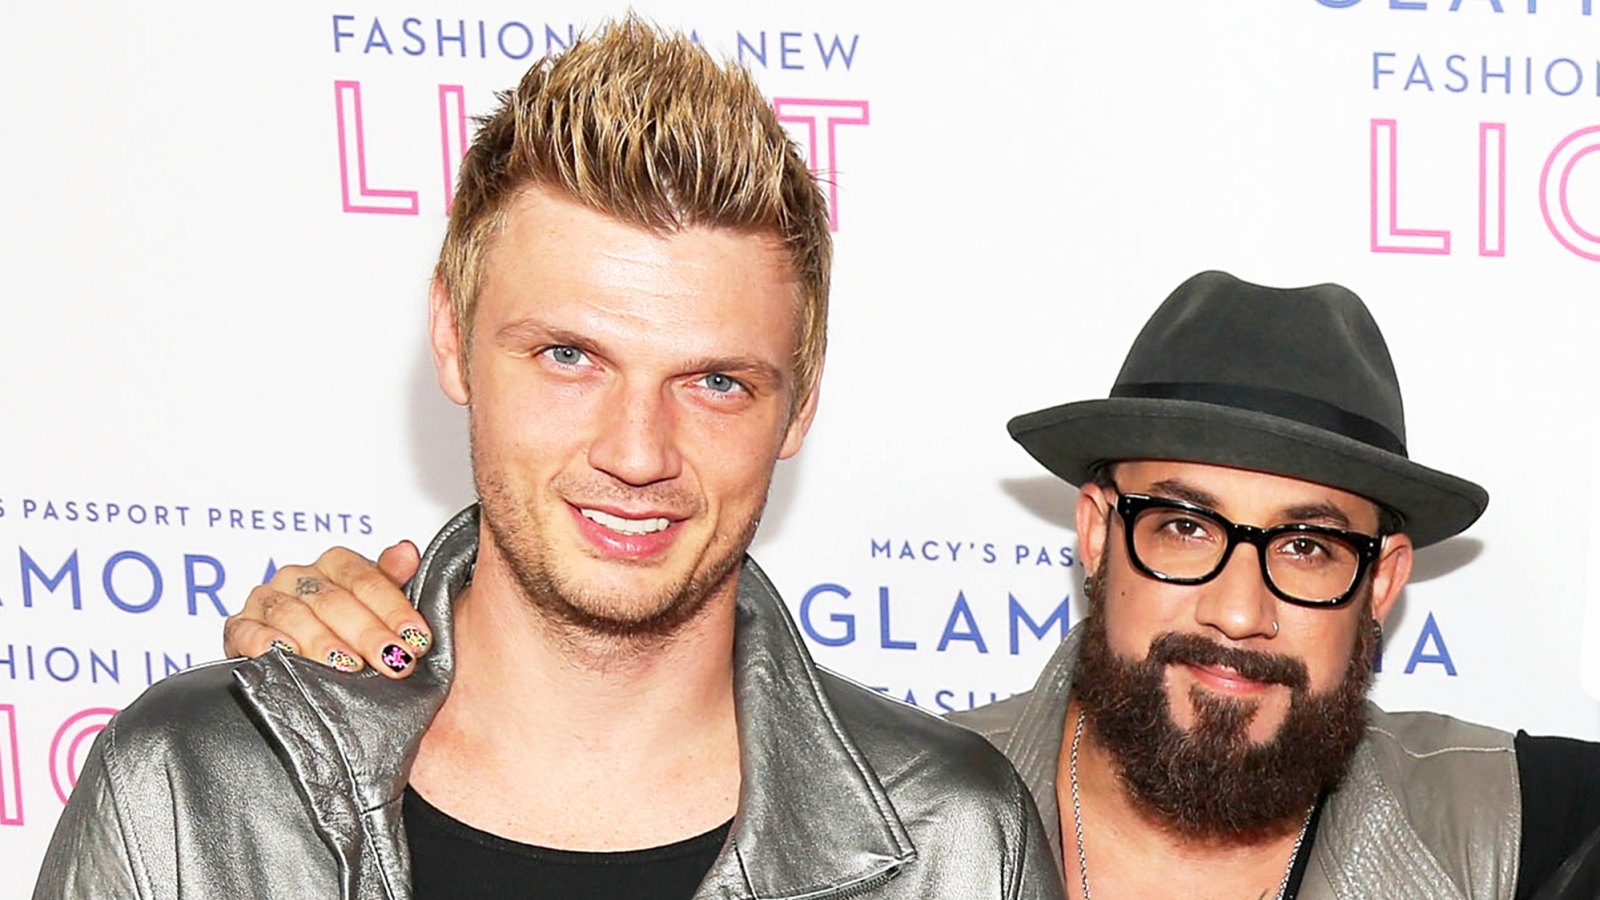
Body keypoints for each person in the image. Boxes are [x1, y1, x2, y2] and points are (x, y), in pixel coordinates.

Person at [32, 19, 1062, 900]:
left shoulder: (954, 845)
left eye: (715, 382)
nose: (635, 451)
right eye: (569, 357)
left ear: (799, 401)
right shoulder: (191, 790)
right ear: (450, 332)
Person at [235, 271, 1600, 899]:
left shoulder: (1526, 830)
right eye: (1183, 525)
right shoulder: (880, 815)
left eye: (1309, 546)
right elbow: (593, 726)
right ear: (1093, 531)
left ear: (1386, 580)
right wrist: (347, 685)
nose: (1239, 610)